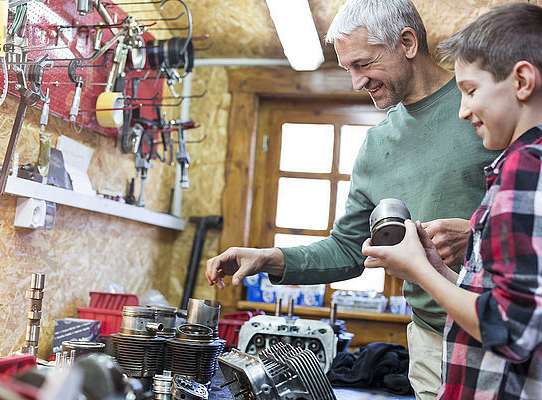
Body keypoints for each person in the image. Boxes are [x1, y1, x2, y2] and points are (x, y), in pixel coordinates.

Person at [206, 0, 499, 397]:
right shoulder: (376, 146)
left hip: (500, 331)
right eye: (348, 69)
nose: (356, 82)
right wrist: (269, 259)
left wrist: (478, 235)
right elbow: (348, 249)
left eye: (363, 64)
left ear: (408, 42)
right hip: (429, 340)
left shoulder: (483, 106)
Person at [362, 3, 542, 398]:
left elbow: (511, 329)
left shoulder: (526, 166)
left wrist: (421, 273)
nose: (462, 111)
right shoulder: (512, 164)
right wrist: (432, 268)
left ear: (523, 81)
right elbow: (500, 297)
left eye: (470, 91)